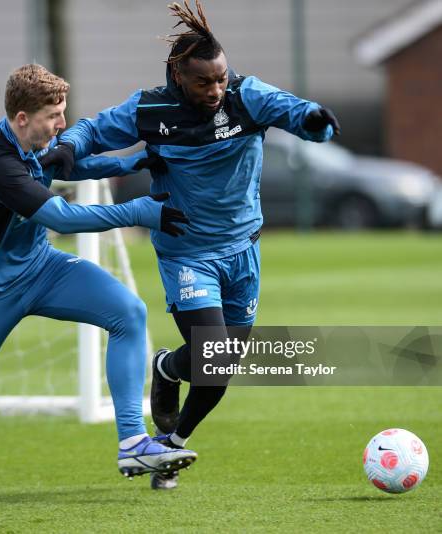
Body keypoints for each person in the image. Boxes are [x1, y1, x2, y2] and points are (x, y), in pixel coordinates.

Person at [0, 64, 196, 501]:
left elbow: (69, 164)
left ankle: (131, 443)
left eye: (62, 112)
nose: (62, 124)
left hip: (41, 269)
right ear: (22, 118)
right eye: (53, 115)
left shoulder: (33, 141)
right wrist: (141, 212)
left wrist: (137, 159)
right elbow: (61, 218)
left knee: (128, 312)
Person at [55, 0, 341, 490]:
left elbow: (298, 113)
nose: (216, 90)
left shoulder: (247, 98)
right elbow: (95, 129)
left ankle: (169, 430)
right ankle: (169, 396)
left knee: (223, 364)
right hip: (187, 252)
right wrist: (69, 147)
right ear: (177, 76)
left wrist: (317, 121)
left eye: (222, 79)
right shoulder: (151, 110)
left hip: (243, 250)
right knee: (214, 353)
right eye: (204, 82)